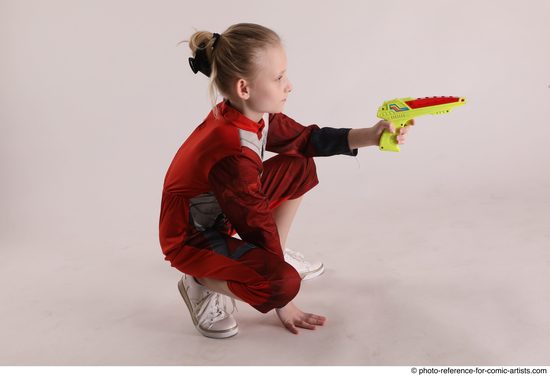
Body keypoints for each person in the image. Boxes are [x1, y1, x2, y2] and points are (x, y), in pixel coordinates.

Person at [158, 23, 412, 339]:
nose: (289, 85)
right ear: (244, 88)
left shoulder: (254, 114)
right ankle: (198, 279)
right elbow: (254, 221)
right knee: (283, 283)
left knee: (300, 164)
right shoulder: (231, 150)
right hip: (190, 237)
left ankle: (273, 256)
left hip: (222, 211)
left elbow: (306, 140)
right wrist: (283, 299)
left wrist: (372, 136)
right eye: (279, 78)